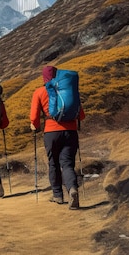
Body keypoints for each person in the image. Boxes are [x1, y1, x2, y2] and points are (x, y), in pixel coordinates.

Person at [30, 65, 86, 210]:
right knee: (67, 164)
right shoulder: (69, 90)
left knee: (53, 163)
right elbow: (81, 115)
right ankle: (72, 189)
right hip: (70, 131)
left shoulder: (40, 92)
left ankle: (57, 195)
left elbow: (34, 117)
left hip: (51, 132)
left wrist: (34, 126)